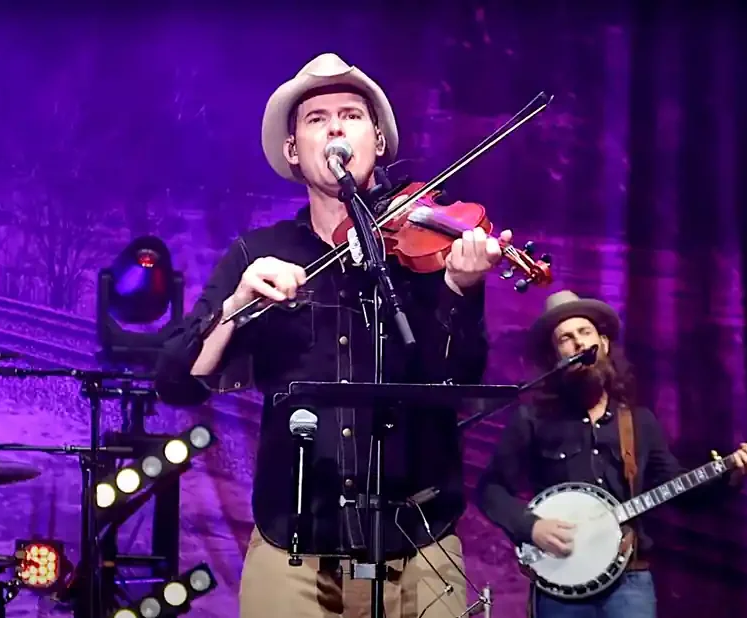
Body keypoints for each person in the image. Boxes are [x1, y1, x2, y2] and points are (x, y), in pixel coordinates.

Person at [156, 53, 512, 618]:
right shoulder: (259, 254)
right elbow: (178, 380)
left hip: (420, 550)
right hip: (294, 549)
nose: (337, 127)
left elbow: (456, 383)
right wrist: (236, 305)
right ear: (294, 150)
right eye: (317, 118)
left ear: (377, 138)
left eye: (351, 114)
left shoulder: (421, 252)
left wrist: (460, 292)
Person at [473, 290, 747, 618]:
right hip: (560, 587)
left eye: (585, 333)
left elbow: (679, 490)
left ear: (604, 344)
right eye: (566, 338)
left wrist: (730, 475)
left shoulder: (639, 422)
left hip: (630, 581)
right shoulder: (532, 420)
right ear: (555, 356)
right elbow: (491, 491)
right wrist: (531, 527)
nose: (579, 344)